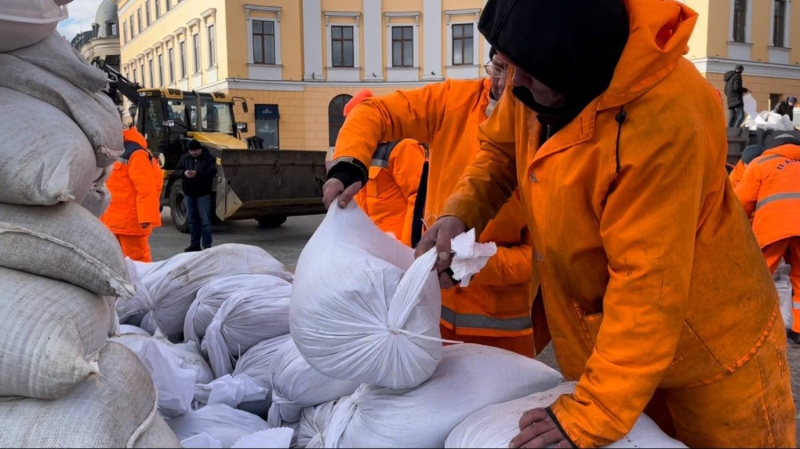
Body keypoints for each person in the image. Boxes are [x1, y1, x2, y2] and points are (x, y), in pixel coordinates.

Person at [411, 0, 795, 448]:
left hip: (711, 358)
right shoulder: (538, 69)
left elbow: (648, 287)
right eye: (508, 68)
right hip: (615, 351)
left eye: (527, 74)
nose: (515, 86)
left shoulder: (665, 120)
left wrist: (591, 415)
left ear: (577, 66)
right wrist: (459, 214)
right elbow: (500, 153)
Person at [325, 48, 537, 357]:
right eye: (499, 68)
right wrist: (349, 161)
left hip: (503, 335)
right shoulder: (453, 101)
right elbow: (374, 112)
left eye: (519, 75)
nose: (504, 84)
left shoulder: (545, 127)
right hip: (430, 319)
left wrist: (473, 262)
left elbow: (540, 256)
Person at [735, 133, 800, 345]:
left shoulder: (761, 163)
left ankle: (746, 326)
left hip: (774, 225)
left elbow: (742, 202)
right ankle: (798, 330)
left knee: (759, 276)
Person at [343, 90, 427, 247]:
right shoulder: (362, 154)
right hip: (375, 246)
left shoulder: (403, 147)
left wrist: (409, 247)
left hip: (399, 247)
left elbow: (419, 198)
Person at [101, 127, 163, 262]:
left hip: (130, 221)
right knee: (114, 261)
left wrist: (146, 217)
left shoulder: (136, 153)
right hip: (112, 221)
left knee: (137, 261)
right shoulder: (116, 150)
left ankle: (140, 283)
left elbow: (146, 187)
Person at [178, 139, 217, 251]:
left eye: (195, 150)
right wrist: (183, 173)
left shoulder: (209, 158)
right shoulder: (185, 158)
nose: (193, 153)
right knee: (193, 220)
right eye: (191, 151)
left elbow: (212, 172)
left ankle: (207, 246)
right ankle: (194, 244)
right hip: (189, 193)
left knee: (205, 221)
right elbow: (177, 170)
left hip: (203, 193)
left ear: (200, 149)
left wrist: (198, 174)